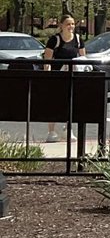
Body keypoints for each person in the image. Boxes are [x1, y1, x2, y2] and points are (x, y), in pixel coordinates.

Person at [42, 14, 86, 143]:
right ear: (61, 26)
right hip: (57, 77)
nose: (71, 27)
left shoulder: (78, 39)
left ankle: (68, 129)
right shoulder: (54, 40)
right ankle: (51, 131)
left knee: (71, 103)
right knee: (54, 103)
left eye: (72, 24)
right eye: (68, 24)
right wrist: (48, 76)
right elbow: (47, 60)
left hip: (72, 76)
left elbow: (83, 58)